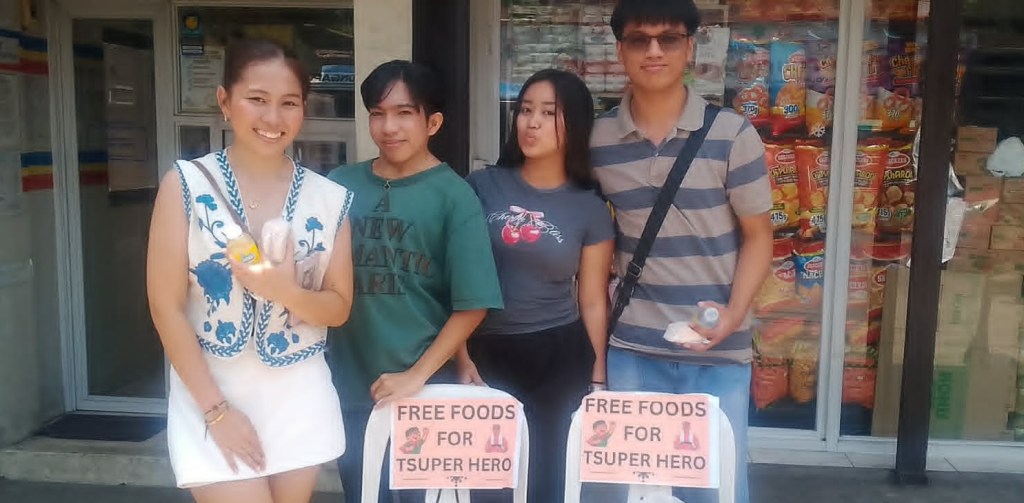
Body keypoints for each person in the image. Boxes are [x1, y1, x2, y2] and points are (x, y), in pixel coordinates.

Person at [147, 38, 354, 503]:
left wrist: (283, 289)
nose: (273, 118)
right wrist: (216, 412)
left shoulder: (329, 198)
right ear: (225, 101)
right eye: (257, 99)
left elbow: (339, 307)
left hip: (299, 393)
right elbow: (165, 306)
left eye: (289, 103)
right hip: (211, 390)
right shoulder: (185, 185)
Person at [591, 2, 773, 503]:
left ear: (690, 47)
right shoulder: (597, 140)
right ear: (620, 50)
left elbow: (759, 236)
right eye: (639, 39)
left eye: (668, 38)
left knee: (714, 492)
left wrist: (732, 317)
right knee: (628, 491)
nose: (654, 50)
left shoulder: (733, 134)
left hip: (716, 351)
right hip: (632, 351)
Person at [326, 60, 504, 503]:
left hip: (423, 389)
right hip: (348, 386)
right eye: (378, 113)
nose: (389, 127)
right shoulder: (339, 185)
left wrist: (416, 376)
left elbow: (472, 303)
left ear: (433, 122)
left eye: (404, 113)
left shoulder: (455, 196)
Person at [458, 69, 615, 503]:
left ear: (575, 123)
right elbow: (454, 277)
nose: (531, 122)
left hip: (556, 355)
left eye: (548, 113)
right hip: (486, 352)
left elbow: (592, 299)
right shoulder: (481, 186)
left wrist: (598, 377)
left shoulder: (589, 207)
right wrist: (460, 353)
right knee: (489, 482)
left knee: (548, 480)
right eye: (526, 110)